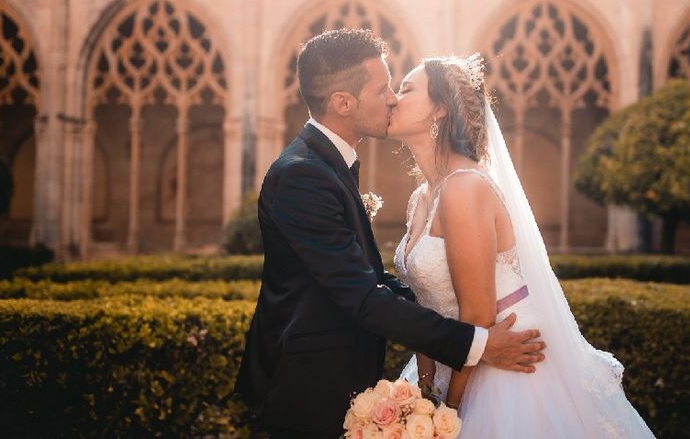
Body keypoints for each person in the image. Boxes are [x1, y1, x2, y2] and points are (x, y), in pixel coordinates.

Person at [234, 30, 546, 439]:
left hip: (357, 380)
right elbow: (362, 296)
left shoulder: (327, 165)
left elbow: (372, 282)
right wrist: (478, 345)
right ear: (343, 103)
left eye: (400, 88)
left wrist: (453, 333)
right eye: (383, 88)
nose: (393, 98)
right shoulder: (303, 174)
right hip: (306, 387)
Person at [388, 53, 656, 438]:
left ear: (441, 109)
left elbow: (478, 314)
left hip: (501, 377)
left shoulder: (464, 187)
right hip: (454, 360)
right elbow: (423, 309)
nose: (394, 98)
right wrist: (426, 391)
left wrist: (447, 413)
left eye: (407, 89)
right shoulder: (421, 199)